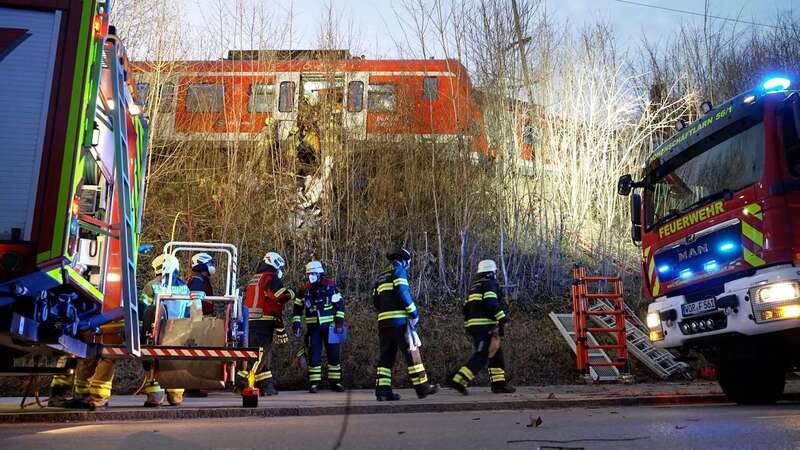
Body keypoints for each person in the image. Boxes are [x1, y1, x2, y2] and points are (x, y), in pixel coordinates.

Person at [372, 248, 438, 401]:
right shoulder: (399, 271)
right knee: (412, 352)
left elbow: (376, 301)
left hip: (383, 322)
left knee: (386, 357)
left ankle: (383, 391)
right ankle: (423, 388)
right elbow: (402, 292)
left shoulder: (381, 276)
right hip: (400, 322)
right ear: (404, 260)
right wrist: (413, 312)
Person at [446, 259, 515, 395]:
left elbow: (465, 308)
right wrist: (502, 318)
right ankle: (458, 379)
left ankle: (499, 385)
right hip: (484, 327)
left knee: (496, 355)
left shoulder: (475, 286)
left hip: (476, 326)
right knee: (482, 355)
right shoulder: (488, 283)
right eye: (495, 272)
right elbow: (491, 302)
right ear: (491, 272)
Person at [139, 253, 193, 407]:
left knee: (155, 363)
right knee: (175, 363)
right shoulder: (184, 287)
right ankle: (175, 396)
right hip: (179, 332)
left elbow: (144, 310)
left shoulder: (151, 286)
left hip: (157, 333)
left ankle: (156, 397)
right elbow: (189, 312)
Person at [241, 251, 294, 396]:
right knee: (259, 356)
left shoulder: (255, 277)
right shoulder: (270, 277)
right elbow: (279, 295)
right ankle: (244, 385)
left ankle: (267, 387)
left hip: (250, 321)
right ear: (275, 264)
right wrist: (292, 293)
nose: (280, 271)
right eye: (280, 268)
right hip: (262, 322)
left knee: (261, 357)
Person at [293, 260, 346, 393]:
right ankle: (314, 384)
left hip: (332, 327)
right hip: (313, 328)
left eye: (313, 273)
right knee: (314, 355)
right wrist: (296, 324)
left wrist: (339, 323)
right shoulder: (304, 290)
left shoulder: (330, 286)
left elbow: (340, 305)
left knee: (334, 355)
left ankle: (336, 383)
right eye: (309, 274)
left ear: (320, 273)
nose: (310, 276)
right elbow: (297, 308)